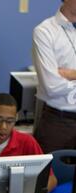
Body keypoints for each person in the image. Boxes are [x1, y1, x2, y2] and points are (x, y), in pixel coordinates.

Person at [33, 0, 76, 152]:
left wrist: (71, 74)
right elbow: (51, 86)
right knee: (50, 175)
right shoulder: (45, 31)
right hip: (58, 122)